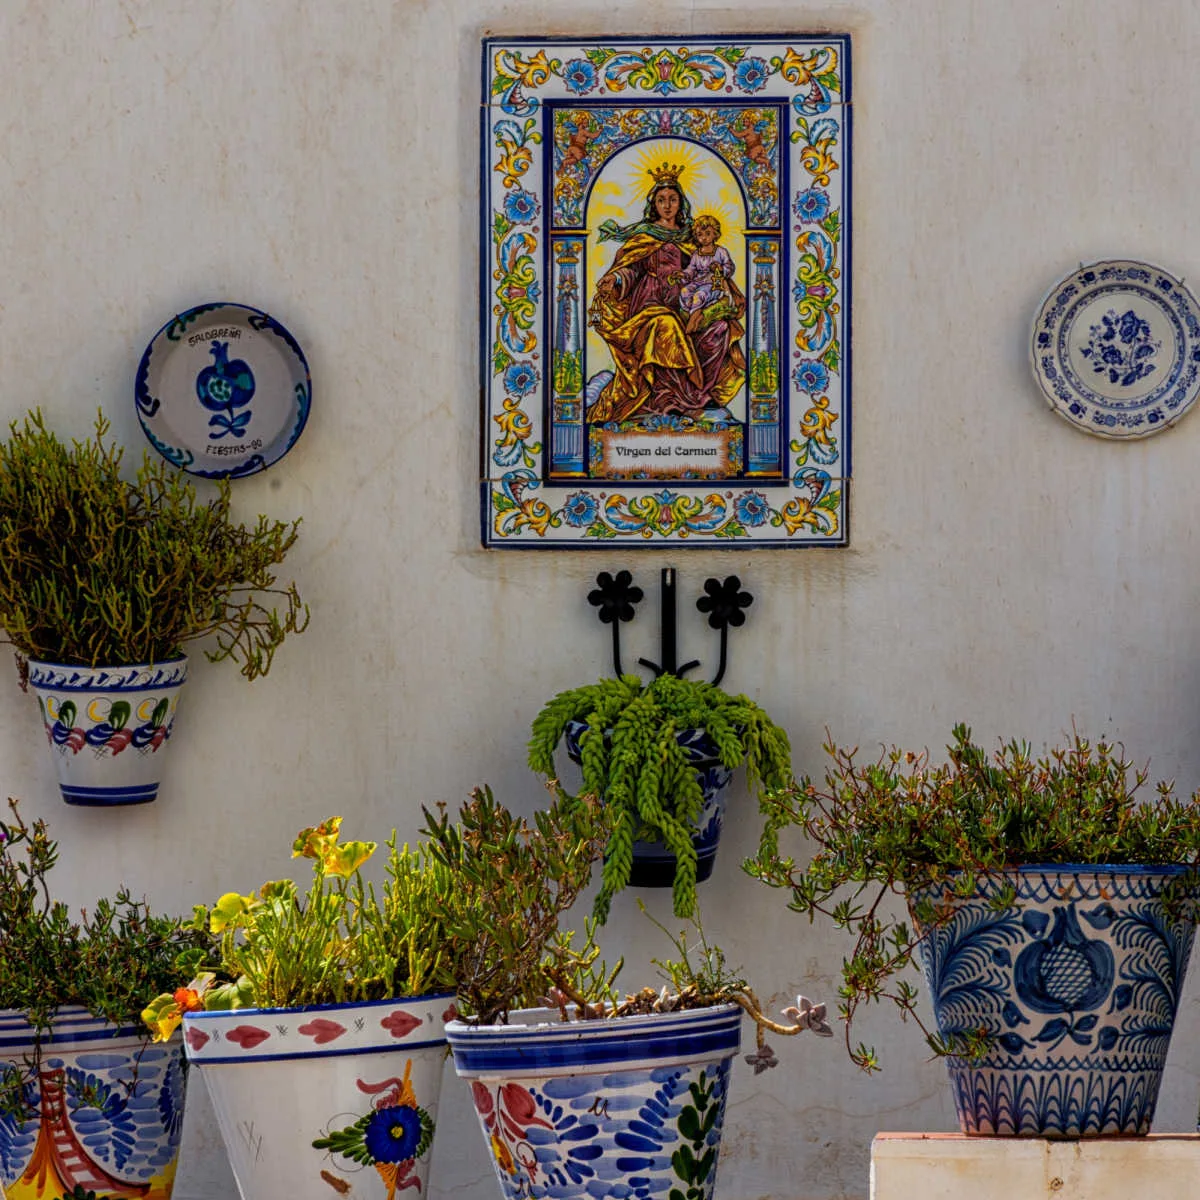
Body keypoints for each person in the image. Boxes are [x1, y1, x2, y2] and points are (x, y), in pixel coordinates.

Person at [587, 165, 745, 424]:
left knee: (720, 328)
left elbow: (705, 267)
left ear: (680, 203)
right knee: (666, 326)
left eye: (673, 199)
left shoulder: (692, 236)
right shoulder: (644, 235)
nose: (667, 205)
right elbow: (631, 269)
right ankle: (666, 400)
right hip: (650, 305)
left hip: (686, 301)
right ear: (654, 205)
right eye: (662, 200)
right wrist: (614, 279)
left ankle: (698, 395)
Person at [676, 215, 736, 334]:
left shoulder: (720, 252)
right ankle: (694, 315)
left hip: (713, 283)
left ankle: (693, 321)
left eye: (708, 234)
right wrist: (683, 275)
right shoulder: (696, 254)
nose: (704, 238)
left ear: (715, 234)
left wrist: (720, 268)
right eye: (700, 235)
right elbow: (691, 270)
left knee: (699, 295)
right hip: (697, 282)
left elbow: (730, 267)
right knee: (684, 292)